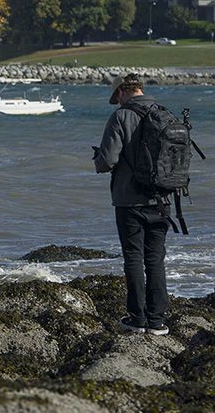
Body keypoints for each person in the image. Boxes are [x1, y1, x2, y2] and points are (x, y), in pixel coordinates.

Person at [92, 73, 170, 336]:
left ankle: (138, 320)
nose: (117, 102)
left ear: (121, 93)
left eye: (116, 98)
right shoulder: (164, 113)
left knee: (134, 259)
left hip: (129, 201)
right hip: (163, 200)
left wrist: (97, 160)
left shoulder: (121, 116)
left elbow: (107, 161)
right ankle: (157, 322)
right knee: (156, 260)